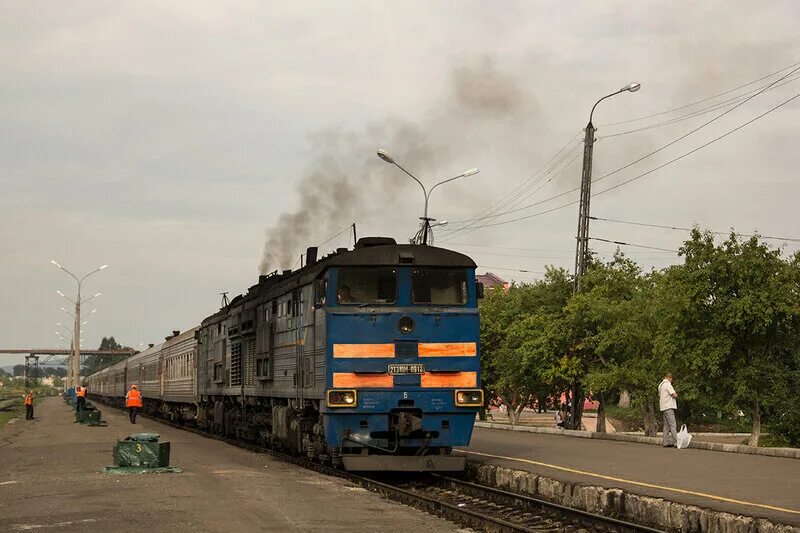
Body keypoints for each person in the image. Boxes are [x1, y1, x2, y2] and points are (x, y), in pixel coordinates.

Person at [659, 372, 679, 447]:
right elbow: (674, 394)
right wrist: (676, 394)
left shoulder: (660, 385)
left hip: (663, 407)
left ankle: (665, 442)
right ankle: (677, 442)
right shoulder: (668, 384)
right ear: (670, 378)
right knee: (673, 424)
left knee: (666, 425)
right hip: (669, 407)